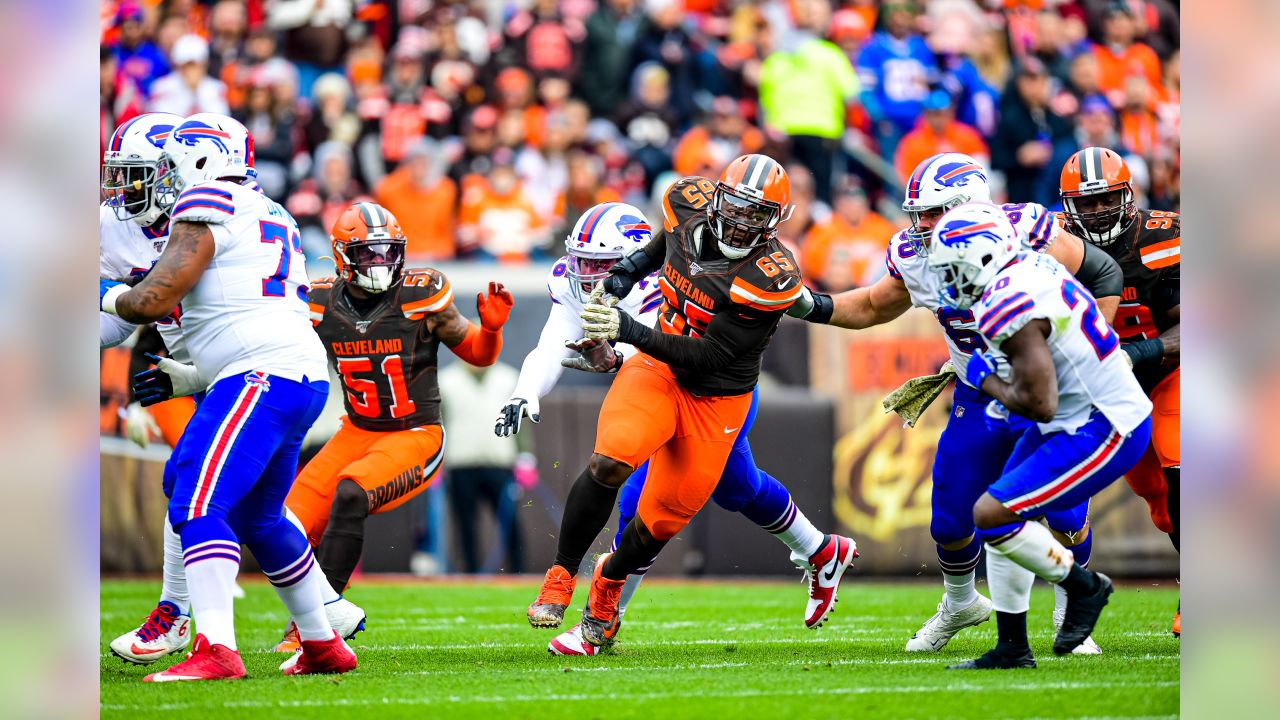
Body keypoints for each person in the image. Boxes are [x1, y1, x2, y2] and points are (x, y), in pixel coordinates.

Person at [787, 152, 1125, 655]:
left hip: (1052, 389)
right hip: (980, 389)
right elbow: (876, 305)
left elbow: (1104, 274)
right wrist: (806, 303)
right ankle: (962, 603)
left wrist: (1091, 353)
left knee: (1065, 514)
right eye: (917, 212)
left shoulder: (1026, 229)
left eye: (933, 212)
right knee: (949, 519)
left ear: (969, 205)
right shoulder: (914, 252)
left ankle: (1069, 611)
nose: (920, 224)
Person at [525, 155, 857, 649]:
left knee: (658, 522)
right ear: (719, 196)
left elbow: (709, 355)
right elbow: (660, 249)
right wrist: (619, 280)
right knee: (610, 461)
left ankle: (606, 590)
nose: (744, 223)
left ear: (776, 222)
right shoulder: (687, 203)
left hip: (715, 396)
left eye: (758, 215)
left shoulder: (770, 275)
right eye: (739, 207)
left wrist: (627, 330)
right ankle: (562, 576)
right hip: (656, 371)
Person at [99, 113, 356, 680]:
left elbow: (149, 301)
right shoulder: (271, 208)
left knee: (194, 501)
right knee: (260, 517)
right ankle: (323, 644)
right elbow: (234, 310)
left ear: (199, 160)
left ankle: (215, 648)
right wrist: (191, 377)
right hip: (297, 376)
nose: (165, 179)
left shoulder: (208, 203)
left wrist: (105, 293)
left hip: (258, 374)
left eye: (170, 165)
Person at [277, 203, 513, 651]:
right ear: (343, 256)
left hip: (415, 433)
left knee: (351, 492)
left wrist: (492, 330)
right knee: (285, 524)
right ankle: (307, 616)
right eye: (368, 254)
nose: (380, 263)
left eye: (388, 252)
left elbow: (480, 356)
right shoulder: (318, 303)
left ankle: (320, 624)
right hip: (357, 429)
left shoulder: (420, 295)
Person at [926, 202, 1152, 669]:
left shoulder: (1003, 302)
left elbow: (1038, 402)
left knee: (991, 513)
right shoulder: (1033, 262)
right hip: (1077, 411)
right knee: (1001, 508)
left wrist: (987, 380)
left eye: (955, 269)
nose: (949, 283)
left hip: (1102, 422)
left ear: (985, 259)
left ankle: (1084, 588)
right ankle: (1012, 646)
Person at [1059, 146, 1180, 634]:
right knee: (1159, 502)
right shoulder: (1053, 243)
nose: (1094, 211)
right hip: (1104, 389)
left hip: (1171, 372)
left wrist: (1134, 354)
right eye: (1084, 204)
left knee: (1184, 477)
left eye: (1105, 199)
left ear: (1128, 195)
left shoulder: (1167, 237)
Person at [99, 113, 201, 665]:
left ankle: (182, 620)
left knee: (193, 486)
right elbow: (117, 325)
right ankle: (323, 614)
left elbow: (142, 305)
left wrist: (109, 296)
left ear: (169, 172)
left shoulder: (214, 217)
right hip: (197, 371)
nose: (122, 189)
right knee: (241, 504)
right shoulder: (113, 225)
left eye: (134, 175)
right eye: (119, 174)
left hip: (247, 365)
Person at [441, 360, 527, 574]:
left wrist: (525, 455)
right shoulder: (445, 380)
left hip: (499, 462)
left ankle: (519, 572)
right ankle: (470, 574)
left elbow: (520, 421)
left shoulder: (509, 377)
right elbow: (438, 425)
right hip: (461, 463)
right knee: (465, 525)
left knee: (511, 522)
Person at [149, 35, 230, 116]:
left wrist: (196, 90)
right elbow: (160, 119)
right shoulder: (162, 87)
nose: (192, 70)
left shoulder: (217, 87)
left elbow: (221, 119)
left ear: (205, 64)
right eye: (187, 65)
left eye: (195, 64)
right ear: (178, 65)